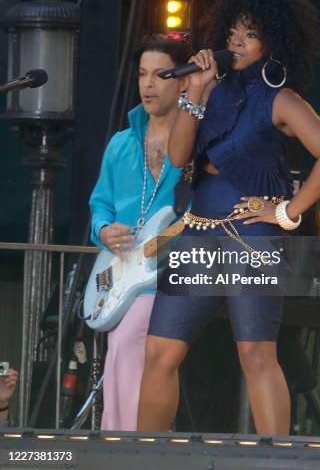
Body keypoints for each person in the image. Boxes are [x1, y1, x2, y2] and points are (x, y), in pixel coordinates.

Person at [137, 0, 320, 435]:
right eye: (232, 30)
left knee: (255, 353)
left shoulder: (282, 100)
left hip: (252, 234)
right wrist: (195, 90)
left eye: (249, 34)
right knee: (160, 351)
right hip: (198, 229)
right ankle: (144, 455)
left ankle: (276, 461)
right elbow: (177, 158)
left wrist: (288, 213)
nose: (235, 40)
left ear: (272, 41)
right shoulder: (209, 90)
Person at [89, 36, 190, 430]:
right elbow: (100, 204)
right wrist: (104, 229)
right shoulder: (120, 144)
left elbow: (199, 209)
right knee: (122, 345)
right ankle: (130, 439)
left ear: (183, 81)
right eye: (143, 74)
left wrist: (159, 245)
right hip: (123, 271)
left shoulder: (194, 140)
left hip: (175, 271)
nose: (148, 84)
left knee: (130, 340)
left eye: (161, 75)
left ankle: (128, 440)